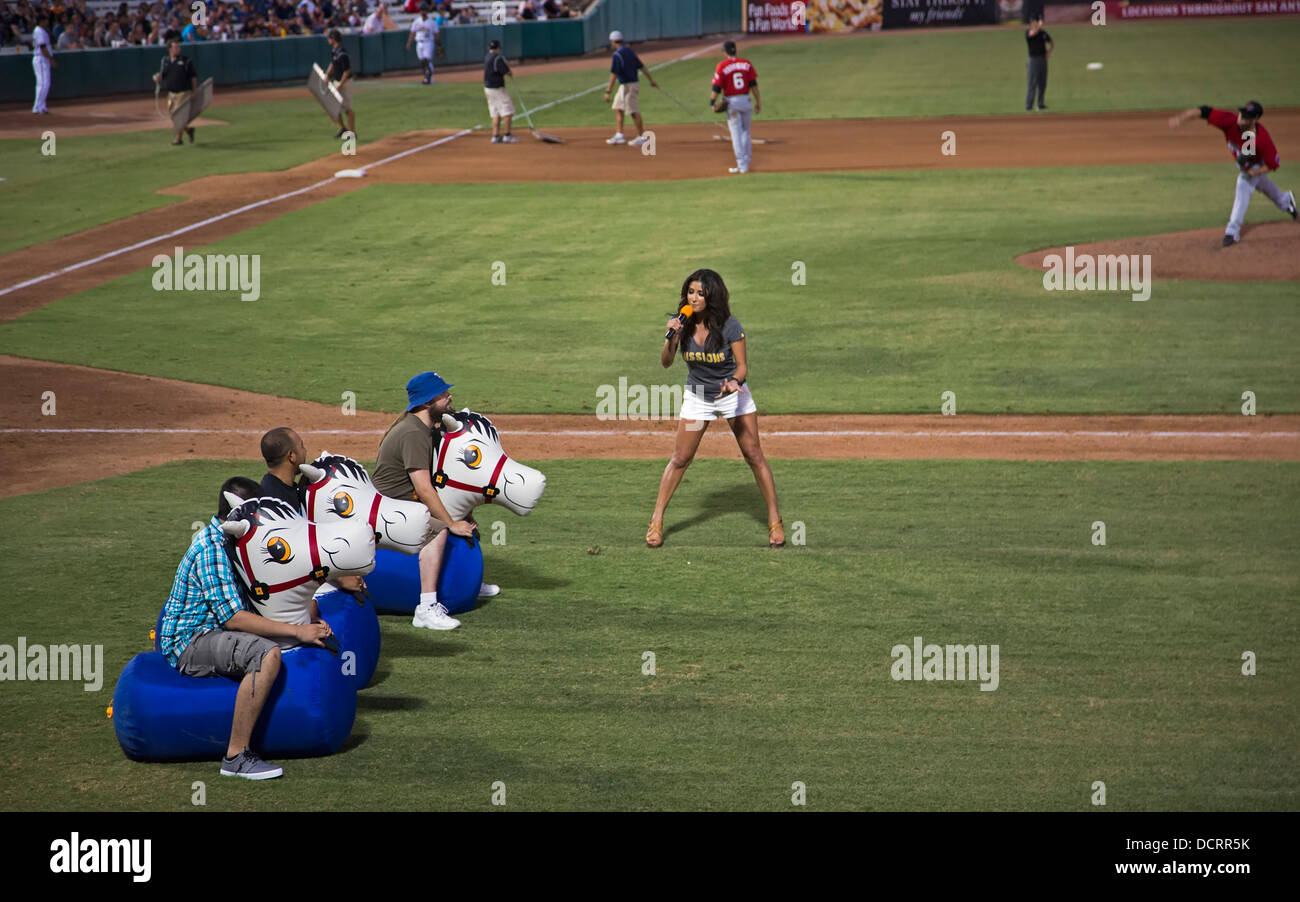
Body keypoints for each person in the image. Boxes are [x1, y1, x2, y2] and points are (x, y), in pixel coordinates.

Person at [157, 476, 334, 780]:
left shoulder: (237, 542)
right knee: (266, 654)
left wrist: (305, 618)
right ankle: (236, 756)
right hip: (191, 639)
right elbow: (234, 618)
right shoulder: (211, 548)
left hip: (216, 629)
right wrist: (297, 632)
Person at [647, 269, 785, 549]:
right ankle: (656, 521)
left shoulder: (730, 326)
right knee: (680, 459)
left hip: (732, 395)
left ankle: (775, 520)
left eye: (700, 293)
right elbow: (666, 362)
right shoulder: (682, 324)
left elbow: (742, 366)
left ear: (713, 297)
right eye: (691, 292)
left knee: (754, 454)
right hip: (698, 396)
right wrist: (671, 336)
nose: (694, 298)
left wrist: (734, 382)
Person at [372, 372, 487, 630]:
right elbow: (423, 487)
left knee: (460, 507)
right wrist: (450, 523)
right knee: (437, 531)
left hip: (403, 505)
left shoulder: (423, 428)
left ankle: (471, 580)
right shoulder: (412, 433)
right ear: (426, 402)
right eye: (443, 394)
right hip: (386, 511)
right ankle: (426, 608)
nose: (449, 397)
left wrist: (461, 512)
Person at [1169, 100, 1296, 246]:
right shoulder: (1229, 121)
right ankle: (1286, 201)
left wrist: (1255, 172)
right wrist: (1180, 118)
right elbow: (1204, 111)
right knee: (1262, 184)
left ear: (1254, 120)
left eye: (1246, 116)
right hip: (1247, 164)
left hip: (1258, 165)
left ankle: (1232, 231)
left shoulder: (1260, 138)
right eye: (1242, 113)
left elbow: (1273, 164)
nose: (1241, 117)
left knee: (1243, 184)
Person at [259, 426, 368, 595]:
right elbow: (293, 554)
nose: (305, 450)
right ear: (291, 456)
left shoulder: (286, 488)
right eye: (301, 446)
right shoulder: (275, 501)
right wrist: (339, 576)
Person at [710, 39, 760, 175]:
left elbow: (716, 87)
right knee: (746, 132)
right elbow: (753, 85)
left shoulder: (722, 65)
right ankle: (746, 163)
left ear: (725, 52)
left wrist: (712, 102)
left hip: (732, 102)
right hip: (746, 100)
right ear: (735, 50)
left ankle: (741, 165)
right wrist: (758, 102)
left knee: (736, 134)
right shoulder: (746, 63)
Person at [602, 30, 656, 146]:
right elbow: (641, 66)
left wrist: (608, 91)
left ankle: (642, 137)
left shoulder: (617, 55)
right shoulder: (629, 51)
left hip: (630, 86)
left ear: (612, 41)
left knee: (633, 111)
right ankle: (619, 135)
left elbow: (614, 74)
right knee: (617, 107)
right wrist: (651, 80)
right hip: (625, 86)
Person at [152, 38, 198, 145]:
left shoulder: (186, 61)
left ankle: (179, 139)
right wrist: (156, 78)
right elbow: (162, 75)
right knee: (173, 116)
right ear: (170, 49)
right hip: (171, 94)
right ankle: (189, 130)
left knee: (179, 115)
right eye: (175, 47)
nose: (178, 49)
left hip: (183, 92)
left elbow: (193, 77)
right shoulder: (166, 61)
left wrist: (194, 91)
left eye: (178, 47)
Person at [482, 39, 518, 144]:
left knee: (495, 112)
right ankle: (507, 135)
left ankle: (495, 136)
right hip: (497, 89)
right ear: (498, 48)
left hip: (488, 89)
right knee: (508, 111)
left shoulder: (487, 57)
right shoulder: (498, 58)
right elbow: (509, 73)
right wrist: (506, 64)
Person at [323, 28, 356, 139]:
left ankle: (352, 133)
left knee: (347, 108)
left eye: (329, 38)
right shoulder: (335, 51)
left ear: (333, 39)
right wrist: (327, 74)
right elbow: (333, 63)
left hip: (345, 83)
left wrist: (340, 84)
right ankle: (342, 128)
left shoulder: (342, 53)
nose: (328, 40)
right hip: (337, 81)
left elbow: (347, 71)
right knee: (334, 105)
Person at [405, 3, 440, 85]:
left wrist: (439, 45)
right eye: (421, 10)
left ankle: (428, 78)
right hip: (419, 43)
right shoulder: (416, 22)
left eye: (424, 10)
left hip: (428, 42)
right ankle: (428, 78)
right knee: (422, 62)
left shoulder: (432, 22)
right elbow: (412, 33)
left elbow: (436, 34)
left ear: (427, 11)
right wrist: (409, 42)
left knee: (427, 60)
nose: (422, 12)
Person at [1024, 17, 1052, 112]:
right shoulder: (1028, 33)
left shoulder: (1043, 33)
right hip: (1033, 60)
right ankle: (1028, 105)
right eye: (1033, 23)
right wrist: (1038, 26)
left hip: (1043, 59)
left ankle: (1040, 104)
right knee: (1032, 82)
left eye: (1036, 22)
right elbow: (1033, 34)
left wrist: (1048, 52)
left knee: (1042, 82)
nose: (1034, 24)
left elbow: (1051, 42)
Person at [31, 12, 54, 114]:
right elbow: (42, 47)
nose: (47, 22)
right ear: (41, 21)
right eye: (45, 20)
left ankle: (41, 106)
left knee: (43, 84)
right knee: (43, 83)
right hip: (41, 59)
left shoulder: (41, 31)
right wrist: (51, 59)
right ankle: (38, 107)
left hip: (42, 59)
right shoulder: (39, 31)